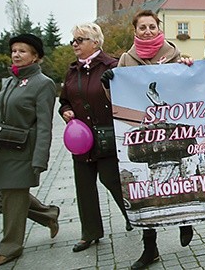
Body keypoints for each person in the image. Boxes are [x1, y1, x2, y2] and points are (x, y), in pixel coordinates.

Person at [106, 10, 194, 270]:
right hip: (146, 133)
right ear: (135, 31)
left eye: (152, 26)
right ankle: (149, 248)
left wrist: (190, 69)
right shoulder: (125, 59)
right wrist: (108, 83)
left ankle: (186, 221)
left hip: (172, 131)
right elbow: (117, 102)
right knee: (149, 192)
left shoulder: (175, 55)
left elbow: (189, 91)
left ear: (159, 28)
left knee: (177, 184)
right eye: (142, 27)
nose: (147, 31)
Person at [59, 23, 133, 255]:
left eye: (80, 40)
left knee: (112, 180)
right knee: (84, 186)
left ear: (95, 42)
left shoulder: (112, 66)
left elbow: (127, 97)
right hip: (81, 139)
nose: (75, 44)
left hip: (106, 136)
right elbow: (65, 100)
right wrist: (65, 111)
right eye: (74, 40)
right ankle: (89, 233)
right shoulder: (73, 71)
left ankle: (134, 216)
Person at [0, 34, 57, 267]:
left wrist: (40, 158)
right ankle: (49, 214)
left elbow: (44, 125)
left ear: (36, 57)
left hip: (23, 151)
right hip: (3, 147)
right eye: (14, 51)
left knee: (12, 195)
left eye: (22, 51)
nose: (16, 55)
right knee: (11, 192)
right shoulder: (10, 81)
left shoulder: (44, 84)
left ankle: (10, 248)